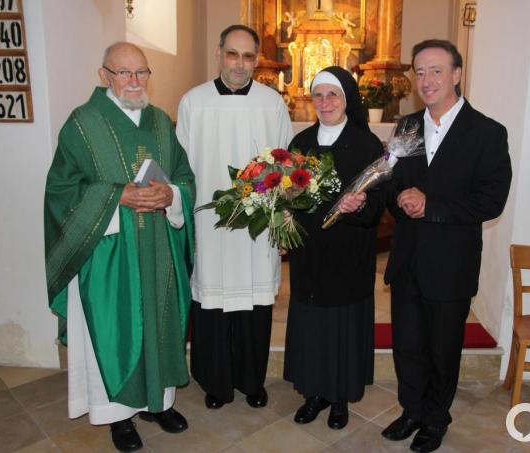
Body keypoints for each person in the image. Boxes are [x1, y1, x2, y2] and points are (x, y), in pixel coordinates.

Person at [349, 39, 512, 452]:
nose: (427, 80)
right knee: (407, 346)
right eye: (420, 72)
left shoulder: (487, 132)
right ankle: (412, 410)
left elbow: (491, 199)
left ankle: (436, 420)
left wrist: (431, 205)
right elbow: (390, 183)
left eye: (436, 70)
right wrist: (390, 198)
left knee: (442, 350)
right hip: (407, 260)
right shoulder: (406, 128)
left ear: (457, 74)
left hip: (451, 264)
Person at [44, 42, 195, 452]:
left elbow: (183, 175)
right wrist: (115, 197)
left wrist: (172, 196)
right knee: (116, 328)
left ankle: (159, 403)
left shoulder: (161, 122)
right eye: (124, 73)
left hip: (158, 249)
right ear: (104, 75)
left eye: (142, 73)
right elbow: (61, 190)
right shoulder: (82, 124)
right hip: (108, 254)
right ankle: (116, 415)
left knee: (161, 322)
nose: (134, 81)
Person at [176, 25, 293, 410]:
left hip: (256, 226)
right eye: (232, 54)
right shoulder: (194, 102)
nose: (240, 64)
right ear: (219, 52)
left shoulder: (271, 102)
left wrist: (278, 212)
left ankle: (251, 381)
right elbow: (182, 165)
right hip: (211, 224)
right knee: (212, 304)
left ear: (256, 59)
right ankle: (215, 382)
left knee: (255, 306)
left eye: (247, 56)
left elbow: (285, 160)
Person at [282, 67, 385, 430]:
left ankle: (339, 397)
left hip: (348, 253)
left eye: (333, 95)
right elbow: (289, 196)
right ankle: (314, 393)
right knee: (313, 323)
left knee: (342, 324)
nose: (325, 103)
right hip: (309, 254)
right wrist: (284, 208)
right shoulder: (302, 142)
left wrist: (358, 207)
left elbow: (377, 205)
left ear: (347, 99)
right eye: (319, 95)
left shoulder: (366, 144)